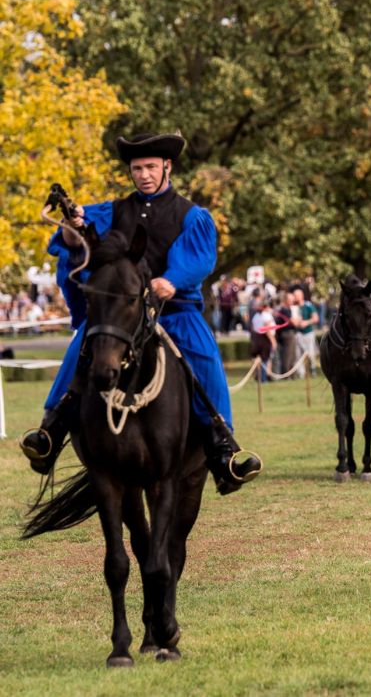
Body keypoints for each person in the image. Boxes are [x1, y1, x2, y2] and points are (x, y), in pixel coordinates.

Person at [19, 133, 261, 493]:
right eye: (137, 169)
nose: (144, 174)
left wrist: (171, 280)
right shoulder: (113, 211)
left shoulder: (192, 216)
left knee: (205, 358)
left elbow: (198, 259)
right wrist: (73, 230)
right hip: (123, 315)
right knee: (82, 345)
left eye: (150, 167)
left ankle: (222, 446)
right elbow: (80, 245)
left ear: (167, 166)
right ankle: (51, 429)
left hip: (174, 313)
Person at [292, 285, 319, 377]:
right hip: (298, 333)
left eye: (296, 295)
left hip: (308, 333)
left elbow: (315, 318)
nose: (295, 297)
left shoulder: (308, 305)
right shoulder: (293, 307)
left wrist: (306, 322)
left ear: (301, 295)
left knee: (311, 353)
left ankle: (313, 370)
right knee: (298, 354)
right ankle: (301, 373)